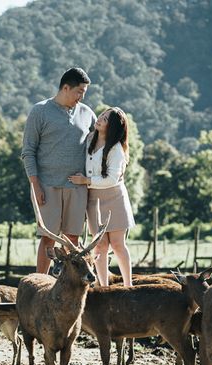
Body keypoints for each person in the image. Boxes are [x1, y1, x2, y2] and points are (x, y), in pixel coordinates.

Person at [21, 67, 97, 274]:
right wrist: (35, 185)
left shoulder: (87, 114)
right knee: (48, 238)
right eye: (79, 91)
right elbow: (28, 151)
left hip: (77, 187)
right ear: (65, 87)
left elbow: (100, 145)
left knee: (73, 239)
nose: (81, 97)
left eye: (84, 93)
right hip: (46, 185)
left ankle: (67, 289)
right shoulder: (40, 111)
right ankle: (39, 284)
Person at [68, 107, 135, 287]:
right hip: (93, 199)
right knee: (99, 246)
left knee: (118, 244)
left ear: (112, 126)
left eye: (105, 119)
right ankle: (103, 286)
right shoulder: (90, 139)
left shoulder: (116, 149)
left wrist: (85, 180)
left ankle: (128, 286)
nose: (100, 119)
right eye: (102, 115)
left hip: (114, 198)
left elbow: (112, 178)